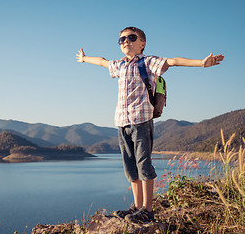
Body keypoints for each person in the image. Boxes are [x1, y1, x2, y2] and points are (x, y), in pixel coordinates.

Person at [76, 26, 224, 223]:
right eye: (122, 40)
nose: (126, 41)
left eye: (131, 38)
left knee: (143, 165)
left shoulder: (148, 62)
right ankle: (136, 207)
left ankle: (148, 209)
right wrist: (84, 59)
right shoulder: (120, 65)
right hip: (121, 122)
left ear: (142, 44)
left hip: (141, 122)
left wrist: (201, 63)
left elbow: (173, 61)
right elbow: (102, 62)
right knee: (131, 168)